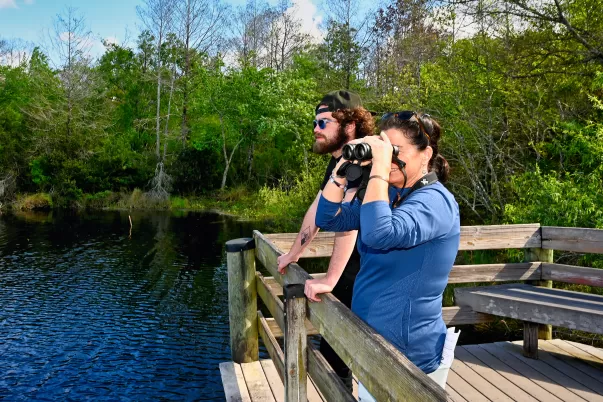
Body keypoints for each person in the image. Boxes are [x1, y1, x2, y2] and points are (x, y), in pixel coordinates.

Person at [314, 111, 461, 396]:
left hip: (408, 358)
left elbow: (379, 234)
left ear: (425, 154)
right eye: (383, 149)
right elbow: (328, 218)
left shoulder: (435, 202)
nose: (388, 158)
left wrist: (379, 170)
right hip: (374, 349)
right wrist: (341, 171)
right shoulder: (392, 196)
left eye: (395, 151)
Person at [276, 90, 375, 390]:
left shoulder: (362, 162)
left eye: (323, 123)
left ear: (350, 125)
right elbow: (317, 210)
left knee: (352, 358)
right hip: (353, 270)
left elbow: (348, 224)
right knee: (336, 354)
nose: (315, 129)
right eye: (314, 122)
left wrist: (330, 279)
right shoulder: (339, 161)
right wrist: (294, 253)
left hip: (369, 273)